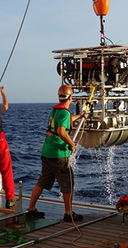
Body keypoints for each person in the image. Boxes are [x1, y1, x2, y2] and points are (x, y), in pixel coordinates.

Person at [27, 84, 87, 222]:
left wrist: (79, 116)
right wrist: (72, 144)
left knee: (42, 181)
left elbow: (63, 122)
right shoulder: (65, 113)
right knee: (67, 183)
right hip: (58, 155)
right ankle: (68, 213)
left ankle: (31, 208)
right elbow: (61, 131)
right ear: (70, 97)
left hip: (47, 152)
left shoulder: (54, 111)